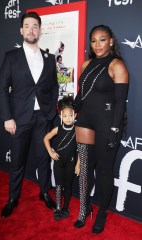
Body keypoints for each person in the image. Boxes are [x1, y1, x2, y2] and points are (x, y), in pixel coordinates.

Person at [0, 12, 59, 218]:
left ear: (40, 30)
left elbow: (54, 87)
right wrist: (8, 117)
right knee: (17, 162)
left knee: (43, 159)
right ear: (21, 30)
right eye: (27, 26)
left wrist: (51, 112)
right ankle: (13, 198)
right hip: (19, 119)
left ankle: (44, 192)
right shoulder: (11, 57)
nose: (31, 29)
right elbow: (2, 88)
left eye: (35, 26)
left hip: (43, 118)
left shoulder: (49, 58)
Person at [73, 25, 129, 234]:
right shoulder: (86, 64)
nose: (97, 44)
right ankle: (84, 208)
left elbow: (120, 102)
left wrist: (115, 129)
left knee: (104, 171)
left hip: (107, 123)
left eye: (102, 40)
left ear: (111, 42)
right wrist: (70, 106)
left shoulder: (117, 65)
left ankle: (103, 211)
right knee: (86, 168)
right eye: (94, 40)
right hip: (85, 121)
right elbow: (82, 94)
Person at [44, 96, 80, 221]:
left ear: (75, 115)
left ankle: (65, 207)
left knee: (68, 185)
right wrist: (51, 152)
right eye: (65, 116)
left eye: (70, 115)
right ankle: (58, 208)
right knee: (59, 186)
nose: (68, 118)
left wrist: (78, 164)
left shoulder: (78, 130)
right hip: (58, 162)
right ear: (60, 117)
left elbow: (81, 148)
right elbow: (46, 138)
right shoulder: (57, 129)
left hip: (71, 162)